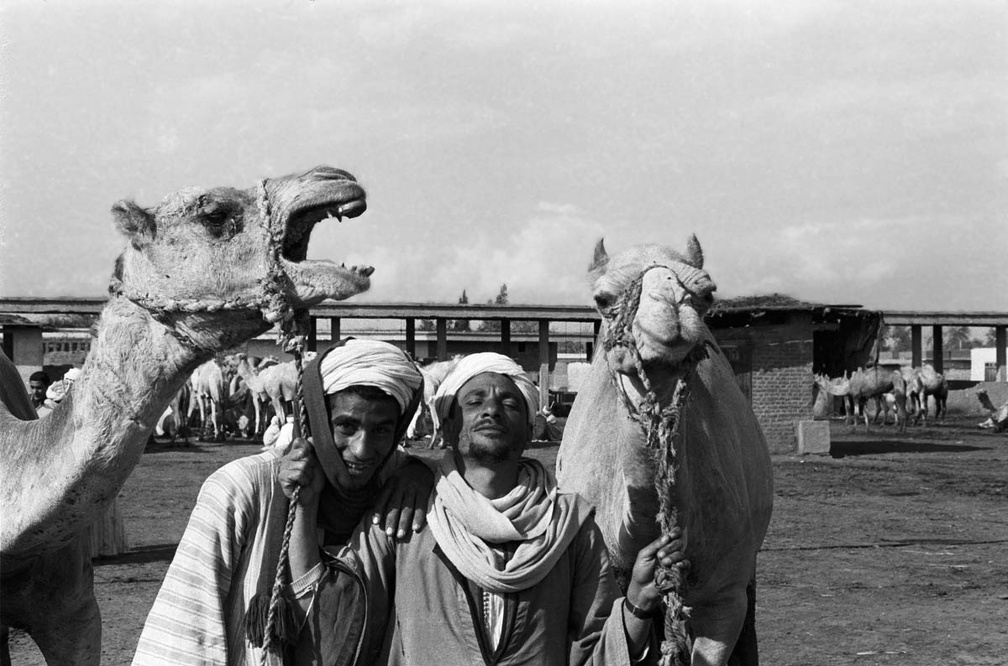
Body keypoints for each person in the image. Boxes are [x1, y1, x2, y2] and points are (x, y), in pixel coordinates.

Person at [132, 339, 429, 665]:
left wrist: (421, 471)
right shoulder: (240, 490)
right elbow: (186, 634)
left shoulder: (404, 491)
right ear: (317, 417)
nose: (361, 450)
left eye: (382, 430)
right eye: (346, 426)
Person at [373, 352, 683, 665]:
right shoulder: (407, 516)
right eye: (474, 401)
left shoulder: (570, 526)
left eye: (508, 403)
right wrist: (412, 469)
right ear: (449, 424)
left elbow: (593, 650)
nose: (491, 410)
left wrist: (639, 600)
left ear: (529, 429)